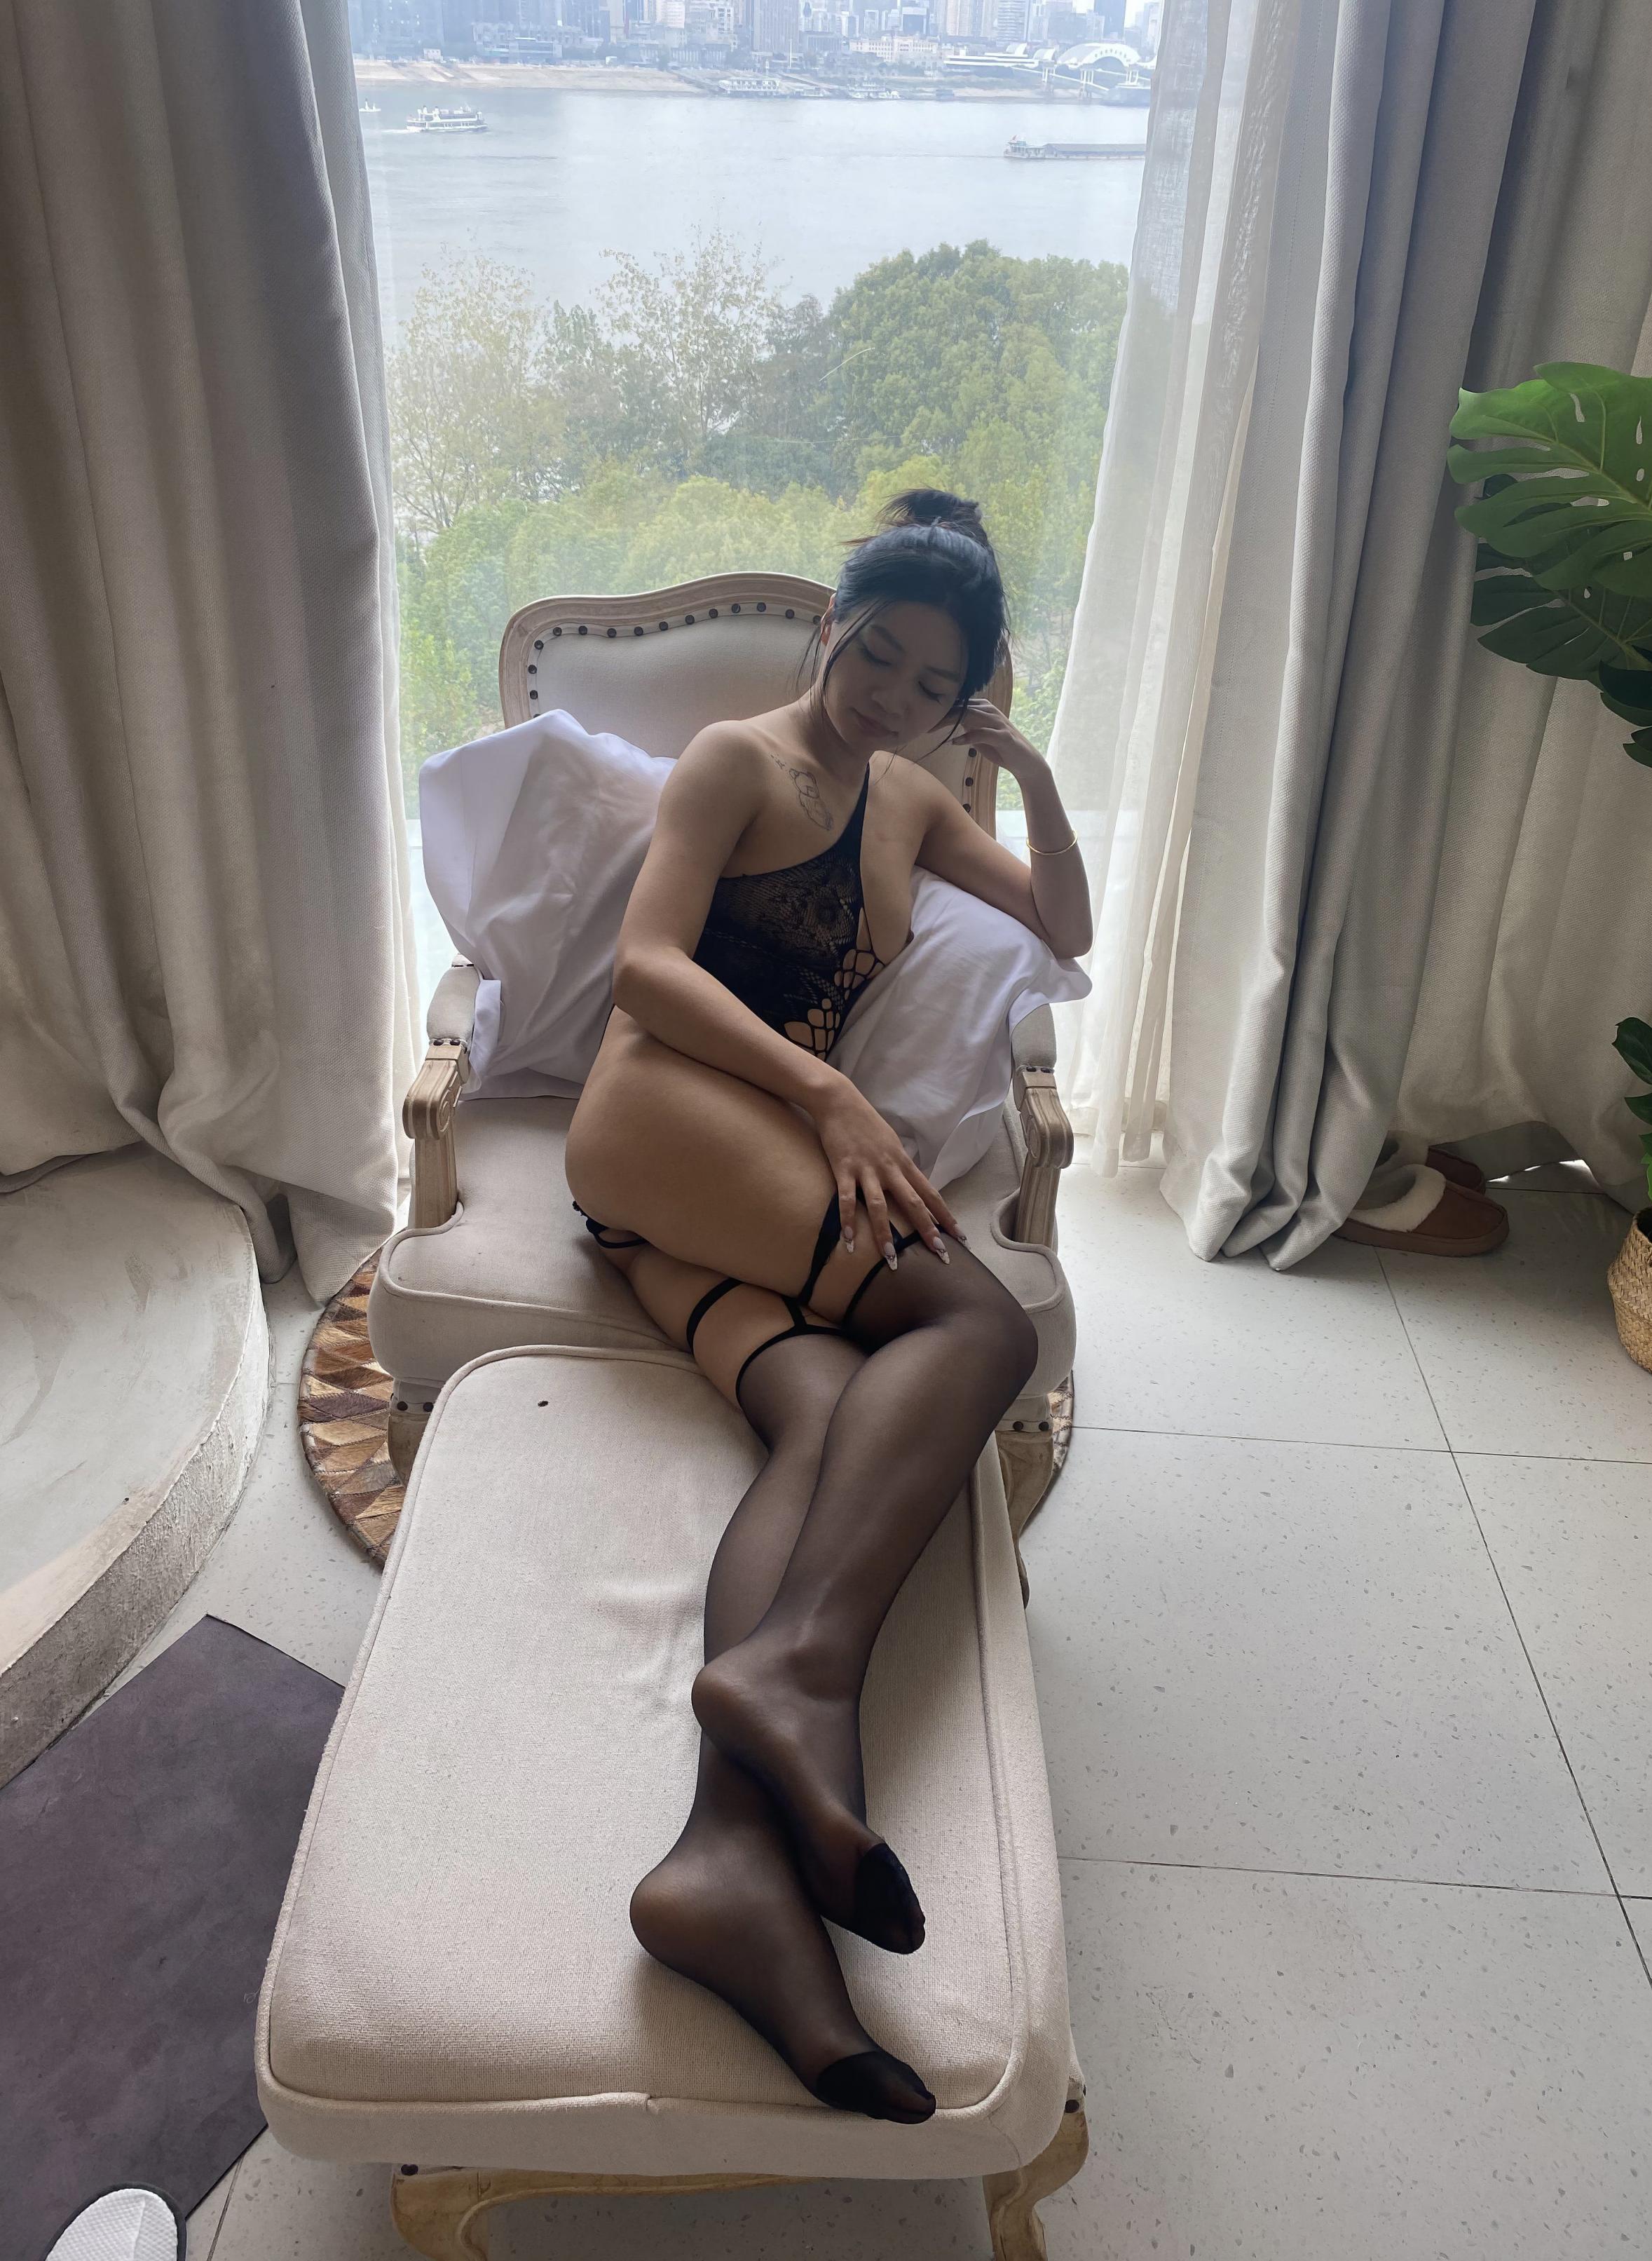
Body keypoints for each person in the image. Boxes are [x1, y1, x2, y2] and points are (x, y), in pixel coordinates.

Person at [566, 490, 1093, 2125]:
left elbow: (1064, 927)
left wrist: (1030, 774)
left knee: (820, 1413)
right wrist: (833, 1098)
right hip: (665, 1115)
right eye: (875, 653)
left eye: (932, 682)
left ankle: (724, 1872)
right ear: (829, 628)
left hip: (719, 1198)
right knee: (979, 1328)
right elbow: (648, 966)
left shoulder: (914, 792)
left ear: (961, 698)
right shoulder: (737, 759)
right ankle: (798, 1670)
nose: (888, 694)